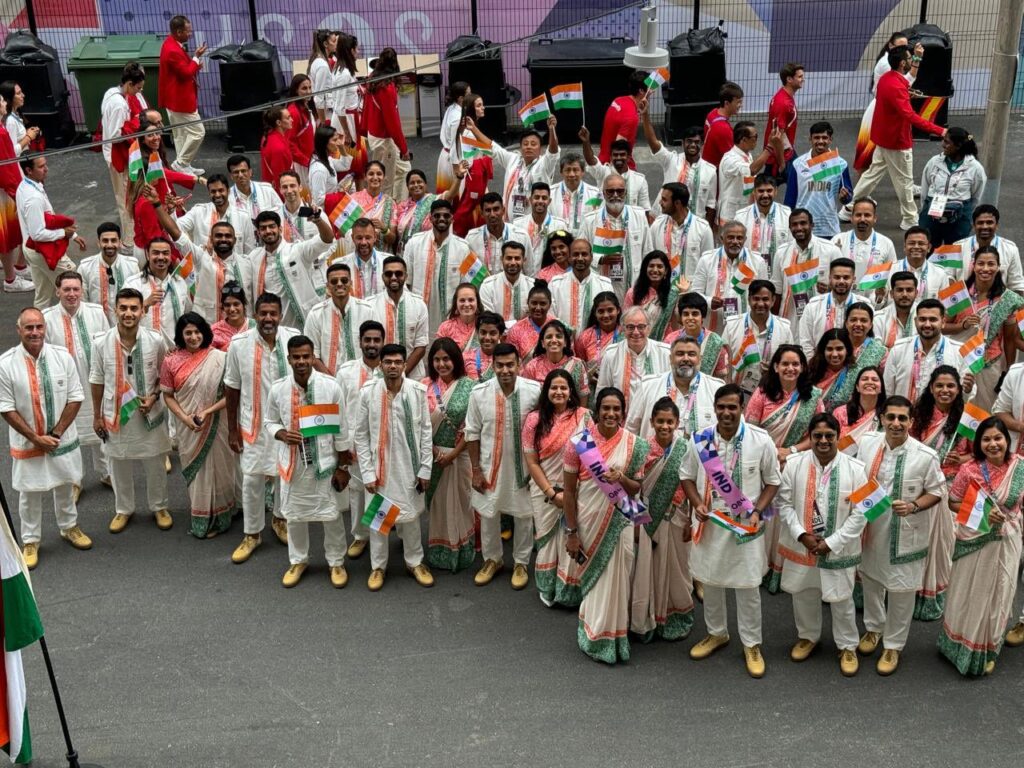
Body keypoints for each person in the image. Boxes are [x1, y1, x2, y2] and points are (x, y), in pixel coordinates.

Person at [681, 383, 781, 678]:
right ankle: (717, 633)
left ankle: (751, 644)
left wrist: (758, 510)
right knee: (710, 582)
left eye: (732, 407)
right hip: (710, 522)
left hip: (745, 525)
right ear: (715, 408)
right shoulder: (700, 440)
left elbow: (773, 481)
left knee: (748, 586)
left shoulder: (760, 441)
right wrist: (697, 502)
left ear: (741, 409)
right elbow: (686, 476)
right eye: (721, 407)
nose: (726, 412)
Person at [855, 395, 945, 675]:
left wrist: (914, 505)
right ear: (881, 418)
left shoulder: (925, 455)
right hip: (870, 527)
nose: (896, 423)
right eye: (890, 417)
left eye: (902, 418)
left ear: (911, 421)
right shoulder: (868, 442)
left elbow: (937, 491)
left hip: (906, 532)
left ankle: (893, 645)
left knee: (901, 591)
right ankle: (873, 629)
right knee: (870, 581)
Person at [563, 387, 652, 664]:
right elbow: (568, 492)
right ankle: (593, 633)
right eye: (606, 408)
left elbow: (637, 489)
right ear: (597, 411)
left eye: (616, 409)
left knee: (618, 578)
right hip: (588, 520)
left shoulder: (635, 444)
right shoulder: (579, 443)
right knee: (596, 576)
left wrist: (621, 478)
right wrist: (572, 532)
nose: (611, 414)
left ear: (623, 413)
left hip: (621, 520)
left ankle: (616, 636)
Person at [775, 412, 868, 676]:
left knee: (841, 597)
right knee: (803, 592)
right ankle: (807, 636)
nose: (823, 441)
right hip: (802, 543)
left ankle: (848, 645)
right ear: (810, 437)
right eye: (818, 436)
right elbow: (783, 504)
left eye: (829, 436)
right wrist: (801, 535)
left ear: (838, 437)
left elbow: (862, 513)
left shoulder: (856, 469)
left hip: (839, 548)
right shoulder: (794, 464)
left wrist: (833, 542)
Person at [0, 307, 91, 568]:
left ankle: (69, 527)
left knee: (65, 484)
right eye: (29, 327)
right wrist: (36, 438)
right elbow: (6, 407)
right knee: (29, 493)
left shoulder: (62, 357)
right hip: (28, 442)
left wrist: (56, 433)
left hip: (60, 439)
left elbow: (75, 396)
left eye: (39, 326)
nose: (35, 332)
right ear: (18, 330)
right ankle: (30, 541)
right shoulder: (6, 364)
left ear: (45, 328)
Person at [266, 335, 351, 589]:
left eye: (306, 356)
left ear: (313, 357)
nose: (302, 361)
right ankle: (298, 560)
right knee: (294, 516)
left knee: (331, 515)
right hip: (294, 463)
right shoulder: (278, 389)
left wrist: (343, 466)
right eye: (296, 357)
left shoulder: (331, 386)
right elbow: (270, 422)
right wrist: (281, 434)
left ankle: (336, 562)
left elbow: (343, 430)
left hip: (325, 463)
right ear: (289, 359)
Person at [940, 417, 1023, 676]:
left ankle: (988, 647)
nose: (993, 444)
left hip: (1008, 540)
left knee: (999, 594)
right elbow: (953, 503)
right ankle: (957, 644)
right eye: (986, 439)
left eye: (997, 438)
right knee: (969, 592)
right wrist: (983, 515)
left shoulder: (1020, 467)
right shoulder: (970, 470)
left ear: (1006, 440)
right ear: (979, 443)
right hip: (975, 540)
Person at [89, 288, 172, 534]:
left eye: (134, 308)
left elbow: (164, 377)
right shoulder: (101, 343)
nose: (128, 313)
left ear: (142, 311)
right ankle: (123, 509)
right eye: (123, 308)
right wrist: (96, 416)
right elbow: (96, 379)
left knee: (155, 463)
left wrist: (154, 396)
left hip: (149, 413)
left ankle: (160, 507)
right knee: (117, 464)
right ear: (115, 310)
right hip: (115, 415)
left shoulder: (156, 340)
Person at [353, 343, 434, 591]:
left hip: (409, 468)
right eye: (388, 362)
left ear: (404, 364)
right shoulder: (367, 392)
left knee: (410, 519)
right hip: (380, 470)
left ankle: (415, 562)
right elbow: (361, 436)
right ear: (380, 364)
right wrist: (367, 472)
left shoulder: (417, 392)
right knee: (380, 521)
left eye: (398, 362)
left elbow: (426, 433)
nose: (393, 366)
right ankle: (378, 566)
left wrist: (425, 469)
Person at [224, 292, 296, 564]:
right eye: (263, 313)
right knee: (252, 480)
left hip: (285, 426)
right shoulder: (239, 344)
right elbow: (231, 387)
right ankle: (252, 534)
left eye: (273, 313)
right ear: (255, 315)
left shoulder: (292, 338)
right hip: (252, 426)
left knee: (284, 476)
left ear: (280, 315)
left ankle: (280, 519)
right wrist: (232, 429)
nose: (268, 318)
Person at [745, 344, 822, 590]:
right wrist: (770, 453)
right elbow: (750, 429)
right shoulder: (762, 394)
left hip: (796, 464)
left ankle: (782, 572)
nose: (790, 368)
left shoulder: (813, 397)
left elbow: (819, 435)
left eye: (795, 364)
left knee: (787, 516)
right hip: (763, 465)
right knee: (765, 515)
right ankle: (759, 567)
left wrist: (791, 451)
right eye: (785, 364)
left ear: (802, 367)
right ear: (776, 367)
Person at [847, 46, 946, 231]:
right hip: (897, 142)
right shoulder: (897, 86)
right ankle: (910, 218)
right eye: (909, 58)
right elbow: (911, 116)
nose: (911, 61)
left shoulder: (887, 79)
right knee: (905, 182)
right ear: (902, 63)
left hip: (883, 139)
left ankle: (849, 207)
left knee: (871, 175)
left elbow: (909, 79)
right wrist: (940, 131)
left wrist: (917, 57)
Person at [466, 343, 541, 589]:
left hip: (523, 466)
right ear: (492, 365)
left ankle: (521, 562)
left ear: (519, 365)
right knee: (489, 513)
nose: (505, 370)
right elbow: (472, 433)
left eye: (510, 364)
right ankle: (492, 560)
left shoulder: (534, 391)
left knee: (524, 514)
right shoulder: (479, 393)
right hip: (490, 466)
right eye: (500, 365)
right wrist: (476, 470)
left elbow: (542, 432)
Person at [160, 312, 235, 539]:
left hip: (216, 422)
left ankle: (222, 516)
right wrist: (184, 418)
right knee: (197, 470)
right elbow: (168, 395)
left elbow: (230, 395)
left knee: (220, 468)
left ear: (204, 332)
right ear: (181, 336)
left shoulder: (220, 358)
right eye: (188, 333)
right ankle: (202, 517)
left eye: (197, 332)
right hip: (188, 427)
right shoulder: (170, 361)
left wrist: (207, 411)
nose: (193, 337)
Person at [523, 370, 591, 607]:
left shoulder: (584, 417)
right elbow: (531, 461)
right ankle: (549, 587)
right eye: (554, 388)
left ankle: (570, 589)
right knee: (547, 539)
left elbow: (593, 458)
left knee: (574, 536)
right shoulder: (534, 419)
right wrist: (551, 493)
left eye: (564, 388)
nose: (559, 392)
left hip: (577, 490)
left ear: (571, 391)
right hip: (544, 490)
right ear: (546, 391)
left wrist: (569, 494)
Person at [42, 271, 111, 497]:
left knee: (101, 427)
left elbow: (106, 344)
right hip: (65, 388)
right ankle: (75, 481)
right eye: (67, 289)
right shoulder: (47, 317)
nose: (72, 294)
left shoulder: (96, 312)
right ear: (57, 291)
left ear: (82, 290)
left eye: (76, 289)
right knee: (71, 434)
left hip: (95, 382)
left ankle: (106, 472)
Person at [911, 366, 970, 620]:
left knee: (941, 546)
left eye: (950, 386)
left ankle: (931, 596)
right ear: (931, 388)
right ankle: (908, 593)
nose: (945, 391)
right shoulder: (919, 415)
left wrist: (962, 457)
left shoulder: (967, 419)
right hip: (921, 484)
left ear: (958, 389)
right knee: (917, 541)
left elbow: (977, 454)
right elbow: (908, 445)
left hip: (951, 486)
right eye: (940, 386)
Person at [635, 397, 694, 640]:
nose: (665, 426)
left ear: (678, 423)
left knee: (678, 568)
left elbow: (693, 485)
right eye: (660, 421)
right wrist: (637, 522)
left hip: (678, 516)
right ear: (652, 421)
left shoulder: (686, 448)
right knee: (648, 569)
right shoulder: (642, 448)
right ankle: (648, 616)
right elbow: (635, 487)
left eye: (670, 422)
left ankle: (674, 614)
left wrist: (691, 520)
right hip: (648, 518)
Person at [944, 246, 1024, 410]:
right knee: (955, 409)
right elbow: (942, 327)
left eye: (991, 264)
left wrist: (1008, 370)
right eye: (981, 263)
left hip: (989, 363)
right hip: (958, 359)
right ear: (973, 265)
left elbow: (1009, 339)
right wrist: (963, 325)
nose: (985, 269)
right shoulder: (958, 292)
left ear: (998, 267)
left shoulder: (1008, 299)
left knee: (984, 413)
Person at [421, 337, 476, 573]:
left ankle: (462, 552)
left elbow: (473, 427)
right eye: (436, 359)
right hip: (432, 456)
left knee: (461, 504)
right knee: (438, 506)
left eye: (446, 359)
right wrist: (434, 451)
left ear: (455, 360)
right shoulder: (423, 386)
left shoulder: (470, 386)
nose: (441, 364)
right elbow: (419, 425)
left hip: (459, 455)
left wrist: (452, 454)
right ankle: (439, 552)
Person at [152, 189, 244, 325]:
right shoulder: (202, 257)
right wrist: (157, 204)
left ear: (235, 240)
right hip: (207, 327)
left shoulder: (247, 263)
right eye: (218, 236)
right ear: (211, 240)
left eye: (228, 236)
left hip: (239, 329)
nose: (223, 239)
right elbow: (176, 233)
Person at [334, 320, 386, 560]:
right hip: (356, 445)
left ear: (383, 343)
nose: (372, 344)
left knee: (382, 491)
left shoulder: (392, 368)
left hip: (384, 445)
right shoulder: (346, 372)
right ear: (360, 342)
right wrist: (342, 448)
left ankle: (381, 536)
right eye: (368, 340)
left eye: (377, 340)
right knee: (357, 492)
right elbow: (339, 410)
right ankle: (360, 536)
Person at [245, 207, 334, 329]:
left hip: (301, 323)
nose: (268, 231)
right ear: (259, 233)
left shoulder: (296, 250)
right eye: (263, 228)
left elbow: (327, 240)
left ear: (280, 229)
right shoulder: (254, 257)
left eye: (272, 226)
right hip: (271, 326)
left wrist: (318, 221)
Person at [16, 155, 84, 309]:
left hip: (31, 250)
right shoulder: (33, 198)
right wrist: (64, 233)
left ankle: (38, 327)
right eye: (41, 167)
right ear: (28, 170)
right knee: (75, 285)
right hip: (41, 251)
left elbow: (47, 219)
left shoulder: (26, 185)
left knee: (42, 296)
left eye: (45, 165)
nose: (46, 169)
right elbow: (38, 234)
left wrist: (72, 235)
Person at [625, 335, 721, 439]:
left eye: (691, 354)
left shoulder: (716, 389)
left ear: (700, 359)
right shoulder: (648, 386)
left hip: (702, 455)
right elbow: (631, 430)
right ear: (670, 359)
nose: (685, 358)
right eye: (680, 354)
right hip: (655, 454)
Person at [466, 116, 560, 221]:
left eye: (533, 144)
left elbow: (553, 152)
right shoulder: (513, 159)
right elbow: (492, 148)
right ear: (520, 148)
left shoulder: (545, 164)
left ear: (540, 149)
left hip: (533, 223)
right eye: (525, 144)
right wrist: (473, 128)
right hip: (509, 222)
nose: (528, 147)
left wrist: (551, 129)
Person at [405, 199, 474, 333]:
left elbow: (466, 285)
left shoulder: (464, 247)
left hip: (450, 319)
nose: (441, 219)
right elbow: (406, 282)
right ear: (430, 218)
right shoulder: (414, 244)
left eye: (446, 216)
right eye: (437, 216)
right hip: (419, 318)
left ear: (452, 219)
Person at [884, 299, 974, 402]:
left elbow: (967, 394)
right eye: (922, 319)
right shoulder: (898, 350)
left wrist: (968, 390)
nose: (927, 324)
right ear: (915, 321)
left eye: (933, 320)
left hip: (943, 416)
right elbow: (888, 390)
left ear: (943, 322)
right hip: (905, 415)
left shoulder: (959, 351)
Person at [581, 174, 653, 301]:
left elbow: (648, 253)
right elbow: (580, 254)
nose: (615, 195)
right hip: (602, 286)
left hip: (634, 287)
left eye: (619, 191)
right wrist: (601, 260)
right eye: (610, 191)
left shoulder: (639, 216)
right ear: (603, 193)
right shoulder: (590, 220)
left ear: (625, 193)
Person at [691, 220, 767, 334]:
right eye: (730, 237)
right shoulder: (707, 260)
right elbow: (695, 294)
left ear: (745, 239)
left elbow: (764, 295)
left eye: (739, 238)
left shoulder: (757, 262)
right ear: (722, 238)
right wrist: (709, 301)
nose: (735, 241)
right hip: (713, 326)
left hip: (746, 327)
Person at [770, 208, 842, 328]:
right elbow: (777, 292)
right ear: (790, 228)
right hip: (790, 321)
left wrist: (831, 289)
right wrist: (776, 322)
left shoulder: (830, 250)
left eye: (803, 223)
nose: (799, 228)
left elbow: (844, 283)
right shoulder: (782, 252)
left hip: (822, 320)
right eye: (794, 224)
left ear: (812, 225)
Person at [101, 62, 147, 247]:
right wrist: (134, 125)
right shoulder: (120, 104)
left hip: (115, 155)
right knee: (126, 199)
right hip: (118, 157)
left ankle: (130, 238)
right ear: (129, 83)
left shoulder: (111, 93)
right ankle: (129, 242)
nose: (138, 91)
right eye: (137, 87)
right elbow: (115, 136)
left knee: (127, 196)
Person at [642, 112, 717, 225]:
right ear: (682, 143)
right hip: (665, 220)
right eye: (689, 141)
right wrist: (645, 115)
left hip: (693, 225)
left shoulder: (710, 171)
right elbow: (653, 143)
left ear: (702, 144)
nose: (692, 145)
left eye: (697, 142)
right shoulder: (672, 160)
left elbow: (711, 205)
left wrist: (708, 230)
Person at [722, 280, 793, 397]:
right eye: (756, 299)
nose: (760, 304)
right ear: (749, 299)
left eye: (765, 299)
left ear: (773, 300)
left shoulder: (784, 329)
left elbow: (791, 363)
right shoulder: (732, 326)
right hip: (736, 394)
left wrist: (773, 370)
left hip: (772, 394)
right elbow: (723, 362)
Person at [784, 121, 853, 239]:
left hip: (829, 227)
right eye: (816, 137)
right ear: (810, 139)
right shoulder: (798, 164)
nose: (820, 141)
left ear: (830, 139)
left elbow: (848, 196)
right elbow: (790, 198)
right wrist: (788, 224)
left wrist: (845, 197)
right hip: (803, 227)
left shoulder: (840, 164)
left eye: (824, 138)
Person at [918, 127, 986, 246]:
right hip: (931, 214)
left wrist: (966, 212)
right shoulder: (934, 162)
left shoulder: (975, 168)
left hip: (960, 218)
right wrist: (925, 209)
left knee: (955, 252)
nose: (942, 144)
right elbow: (925, 188)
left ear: (958, 146)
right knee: (928, 249)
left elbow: (976, 196)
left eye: (947, 142)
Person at [158, 15, 206, 176]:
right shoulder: (173, 49)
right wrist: (196, 58)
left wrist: (195, 64)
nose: (190, 34)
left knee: (181, 134)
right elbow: (185, 73)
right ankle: (181, 163)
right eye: (188, 31)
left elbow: (181, 69)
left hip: (173, 99)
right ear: (179, 32)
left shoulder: (170, 44)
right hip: (180, 100)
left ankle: (184, 165)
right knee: (198, 132)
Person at [302, 263, 370, 375]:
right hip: (326, 382)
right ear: (327, 285)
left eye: (344, 280)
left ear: (351, 283)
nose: (339, 284)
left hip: (362, 380)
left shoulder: (366, 311)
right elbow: (313, 355)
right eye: (334, 281)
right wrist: (331, 382)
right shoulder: (316, 314)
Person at [123, 237, 191, 348]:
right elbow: (123, 317)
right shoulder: (133, 284)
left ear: (170, 257)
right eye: (155, 253)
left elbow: (187, 314)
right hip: (143, 349)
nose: (160, 257)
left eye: (165, 253)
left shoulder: (180, 283)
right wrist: (145, 304)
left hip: (174, 350)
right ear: (148, 255)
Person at [597, 306, 670, 408]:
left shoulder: (665, 353)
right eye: (630, 327)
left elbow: (672, 389)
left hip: (655, 419)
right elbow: (602, 391)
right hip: (622, 419)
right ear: (623, 329)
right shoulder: (611, 354)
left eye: (641, 327)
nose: (636, 332)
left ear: (649, 328)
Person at [369, 255, 429, 379]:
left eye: (398, 273)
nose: (394, 277)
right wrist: (386, 374)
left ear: (406, 276)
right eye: (389, 274)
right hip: (380, 377)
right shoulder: (370, 306)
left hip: (413, 377)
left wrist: (401, 374)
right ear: (383, 277)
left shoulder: (418, 305)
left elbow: (421, 346)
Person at [364, 49, 412, 201]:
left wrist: (364, 129)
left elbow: (366, 107)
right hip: (385, 139)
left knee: (404, 170)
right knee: (385, 180)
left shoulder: (372, 79)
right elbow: (393, 123)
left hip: (375, 135)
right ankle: (385, 212)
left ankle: (398, 204)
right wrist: (404, 148)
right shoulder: (387, 87)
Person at [797, 258, 867, 360]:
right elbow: (805, 342)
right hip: (820, 368)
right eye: (837, 277)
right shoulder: (813, 306)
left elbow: (869, 340)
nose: (841, 281)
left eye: (846, 277)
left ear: (854, 279)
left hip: (854, 368)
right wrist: (814, 367)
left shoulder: (864, 306)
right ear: (830, 278)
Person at [717, 121, 784, 225]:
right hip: (731, 216)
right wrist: (770, 147)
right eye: (755, 136)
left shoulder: (747, 155)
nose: (757, 139)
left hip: (745, 212)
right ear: (744, 139)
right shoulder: (729, 159)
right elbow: (752, 170)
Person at [175, 173, 255, 255]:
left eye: (221, 190)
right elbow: (176, 228)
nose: (217, 195)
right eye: (213, 191)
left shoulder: (243, 217)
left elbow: (249, 251)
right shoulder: (198, 212)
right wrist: (172, 211)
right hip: (205, 266)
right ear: (209, 193)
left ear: (228, 191)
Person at [0, 90, 32, 294]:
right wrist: (17, 188)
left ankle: (16, 269)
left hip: (7, 186)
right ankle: (11, 279)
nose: (4, 103)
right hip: (6, 188)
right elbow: (7, 164)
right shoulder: (2, 132)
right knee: (9, 233)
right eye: (2, 101)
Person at [950, 204, 1024, 292]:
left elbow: (1017, 284)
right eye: (980, 223)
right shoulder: (957, 247)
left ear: (996, 225)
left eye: (989, 222)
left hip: (999, 303)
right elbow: (948, 277)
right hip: (963, 303)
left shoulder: (1010, 249)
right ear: (973, 225)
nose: (985, 227)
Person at [649, 182, 714, 281]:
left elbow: (709, 266)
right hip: (662, 289)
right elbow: (649, 257)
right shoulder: (657, 225)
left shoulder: (702, 229)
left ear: (677, 203)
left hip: (689, 292)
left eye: (664, 199)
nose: (660, 203)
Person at [78, 222, 139, 326]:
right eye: (105, 241)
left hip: (126, 326)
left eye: (113, 240)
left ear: (120, 242)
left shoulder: (132, 266)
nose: (110, 245)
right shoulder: (85, 267)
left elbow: (137, 299)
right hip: (96, 325)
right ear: (98, 243)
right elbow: (83, 302)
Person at [549, 239, 613, 334]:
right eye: (575, 254)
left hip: (595, 344)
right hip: (563, 343)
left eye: (584, 254)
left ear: (591, 257)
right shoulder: (555, 284)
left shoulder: (604, 285)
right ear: (569, 257)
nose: (580, 258)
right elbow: (550, 317)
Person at [831, 197, 897, 286]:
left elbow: (893, 276)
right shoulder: (838, 240)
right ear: (851, 218)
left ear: (875, 218)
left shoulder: (886, 244)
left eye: (867, 215)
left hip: (873, 299)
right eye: (858, 215)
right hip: (844, 297)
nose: (862, 219)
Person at [394, 169, 460, 257]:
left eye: (419, 182)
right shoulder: (402, 206)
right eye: (412, 183)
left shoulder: (434, 200)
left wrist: (459, 178)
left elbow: (451, 195)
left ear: (425, 184)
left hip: (426, 252)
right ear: (407, 186)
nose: (416, 185)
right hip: (404, 252)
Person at [521, 319, 589, 403]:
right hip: (541, 414)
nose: (554, 340)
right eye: (549, 337)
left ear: (565, 342)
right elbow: (527, 398)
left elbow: (583, 396)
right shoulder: (532, 366)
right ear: (542, 343)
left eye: (558, 336)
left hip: (571, 414)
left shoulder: (577, 365)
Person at [665, 292, 729, 378]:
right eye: (686, 314)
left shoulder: (716, 342)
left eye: (695, 314)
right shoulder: (670, 340)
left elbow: (720, 375)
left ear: (703, 316)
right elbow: (665, 369)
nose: (690, 318)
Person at [466, 194, 532, 276]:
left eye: (496, 209)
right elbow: (468, 273)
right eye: (488, 210)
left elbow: (529, 273)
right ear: (482, 213)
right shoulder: (472, 238)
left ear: (503, 210)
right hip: (483, 287)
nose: (492, 214)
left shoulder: (521, 236)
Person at [734, 175, 791, 271]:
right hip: (749, 273)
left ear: (776, 191)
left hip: (777, 273)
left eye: (769, 191)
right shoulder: (741, 217)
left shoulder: (787, 215)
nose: (765, 195)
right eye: (761, 191)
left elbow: (791, 248)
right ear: (754, 192)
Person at [582, 132, 650, 211]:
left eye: (622, 154)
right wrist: (586, 141)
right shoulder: (603, 173)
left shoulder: (639, 180)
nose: (618, 158)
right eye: (615, 155)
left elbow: (645, 210)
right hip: (606, 222)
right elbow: (591, 161)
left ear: (628, 157)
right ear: (610, 157)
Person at [623, 251, 680, 342]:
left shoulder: (672, 294)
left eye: (660, 266)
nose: (655, 270)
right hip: (637, 341)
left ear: (666, 271)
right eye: (651, 266)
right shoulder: (633, 293)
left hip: (664, 342)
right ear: (645, 269)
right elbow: (625, 322)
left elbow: (677, 323)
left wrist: (684, 294)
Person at [598, 70, 647, 166]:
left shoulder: (618, 100)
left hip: (603, 160)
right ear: (641, 91)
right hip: (616, 166)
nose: (652, 90)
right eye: (650, 88)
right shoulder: (632, 117)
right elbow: (618, 150)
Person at [573, 291, 621, 389]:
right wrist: (587, 377)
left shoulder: (626, 333)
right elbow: (579, 367)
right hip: (592, 389)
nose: (606, 315)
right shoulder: (585, 336)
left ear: (618, 310)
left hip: (619, 386)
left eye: (610, 310)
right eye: (601, 311)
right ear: (595, 313)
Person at [888, 227, 950, 303]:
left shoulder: (940, 274)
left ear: (929, 247)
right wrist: (879, 297)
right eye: (912, 243)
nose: (916, 247)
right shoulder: (889, 271)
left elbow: (946, 306)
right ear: (904, 246)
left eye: (921, 243)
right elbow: (877, 304)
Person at [833, 365, 885, 454]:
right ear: (857, 387)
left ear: (881, 388)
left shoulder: (886, 415)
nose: (870, 382)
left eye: (875, 380)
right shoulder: (840, 413)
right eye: (865, 379)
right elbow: (832, 442)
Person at [764, 62, 804, 178]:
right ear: (789, 79)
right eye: (800, 77)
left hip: (786, 151)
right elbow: (778, 137)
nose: (803, 79)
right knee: (770, 187)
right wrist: (782, 164)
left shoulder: (784, 96)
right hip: (780, 156)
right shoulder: (783, 103)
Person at [480, 241, 534, 322]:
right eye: (509, 258)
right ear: (502, 259)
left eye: (517, 258)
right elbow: (488, 319)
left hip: (525, 334)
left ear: (524, 260)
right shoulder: (488, 286)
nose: (513, 262)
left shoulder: (532, 286)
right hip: (497, 333)